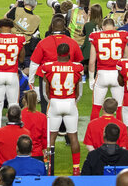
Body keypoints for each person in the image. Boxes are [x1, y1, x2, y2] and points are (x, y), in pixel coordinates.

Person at [38, 42, 84, 172]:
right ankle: (76, 168)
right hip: (70, 103)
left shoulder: (48, 67)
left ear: (57, 54)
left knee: (51, 136)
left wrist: (51, 100)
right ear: (68, 53)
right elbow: (78, 91)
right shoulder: (77, 67)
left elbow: (46, 90)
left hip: (55, 102)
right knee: (73, 136)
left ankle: (49, 166)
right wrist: (73, 101)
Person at [0, 19, 25, 131]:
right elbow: (22, 59)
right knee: (13, 104)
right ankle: (15, 127)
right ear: (11, 27)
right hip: (12, 74)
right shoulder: (19, 38)